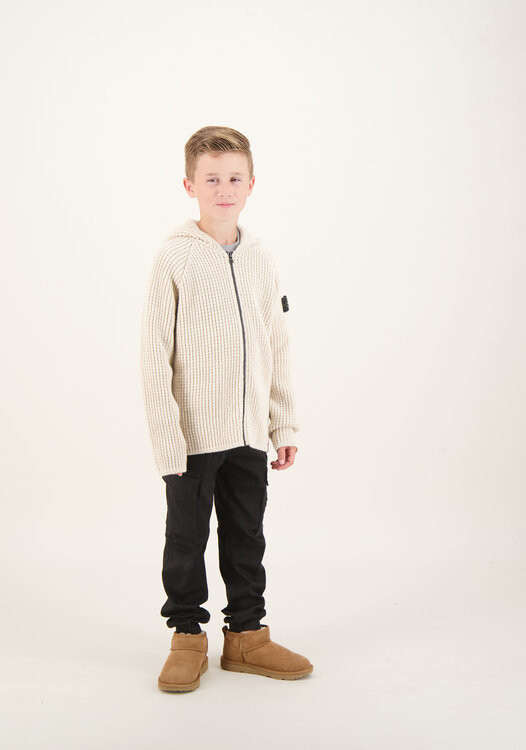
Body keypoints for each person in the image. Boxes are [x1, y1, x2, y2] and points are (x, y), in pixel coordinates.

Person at [140, 125, 313, 692]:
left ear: (252, 184)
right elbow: (154, 356)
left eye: (234, 178)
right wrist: (168, 440)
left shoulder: (261, 259)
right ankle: (187, 637)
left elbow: (276, 345)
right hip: (191, 436)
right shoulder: (174, 258)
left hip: (249, 432)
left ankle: (246, 637)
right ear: (189, 185)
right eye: (211, 178)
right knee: (186, 540)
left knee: (246, 535)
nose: (224, 189)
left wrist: (282, 423)